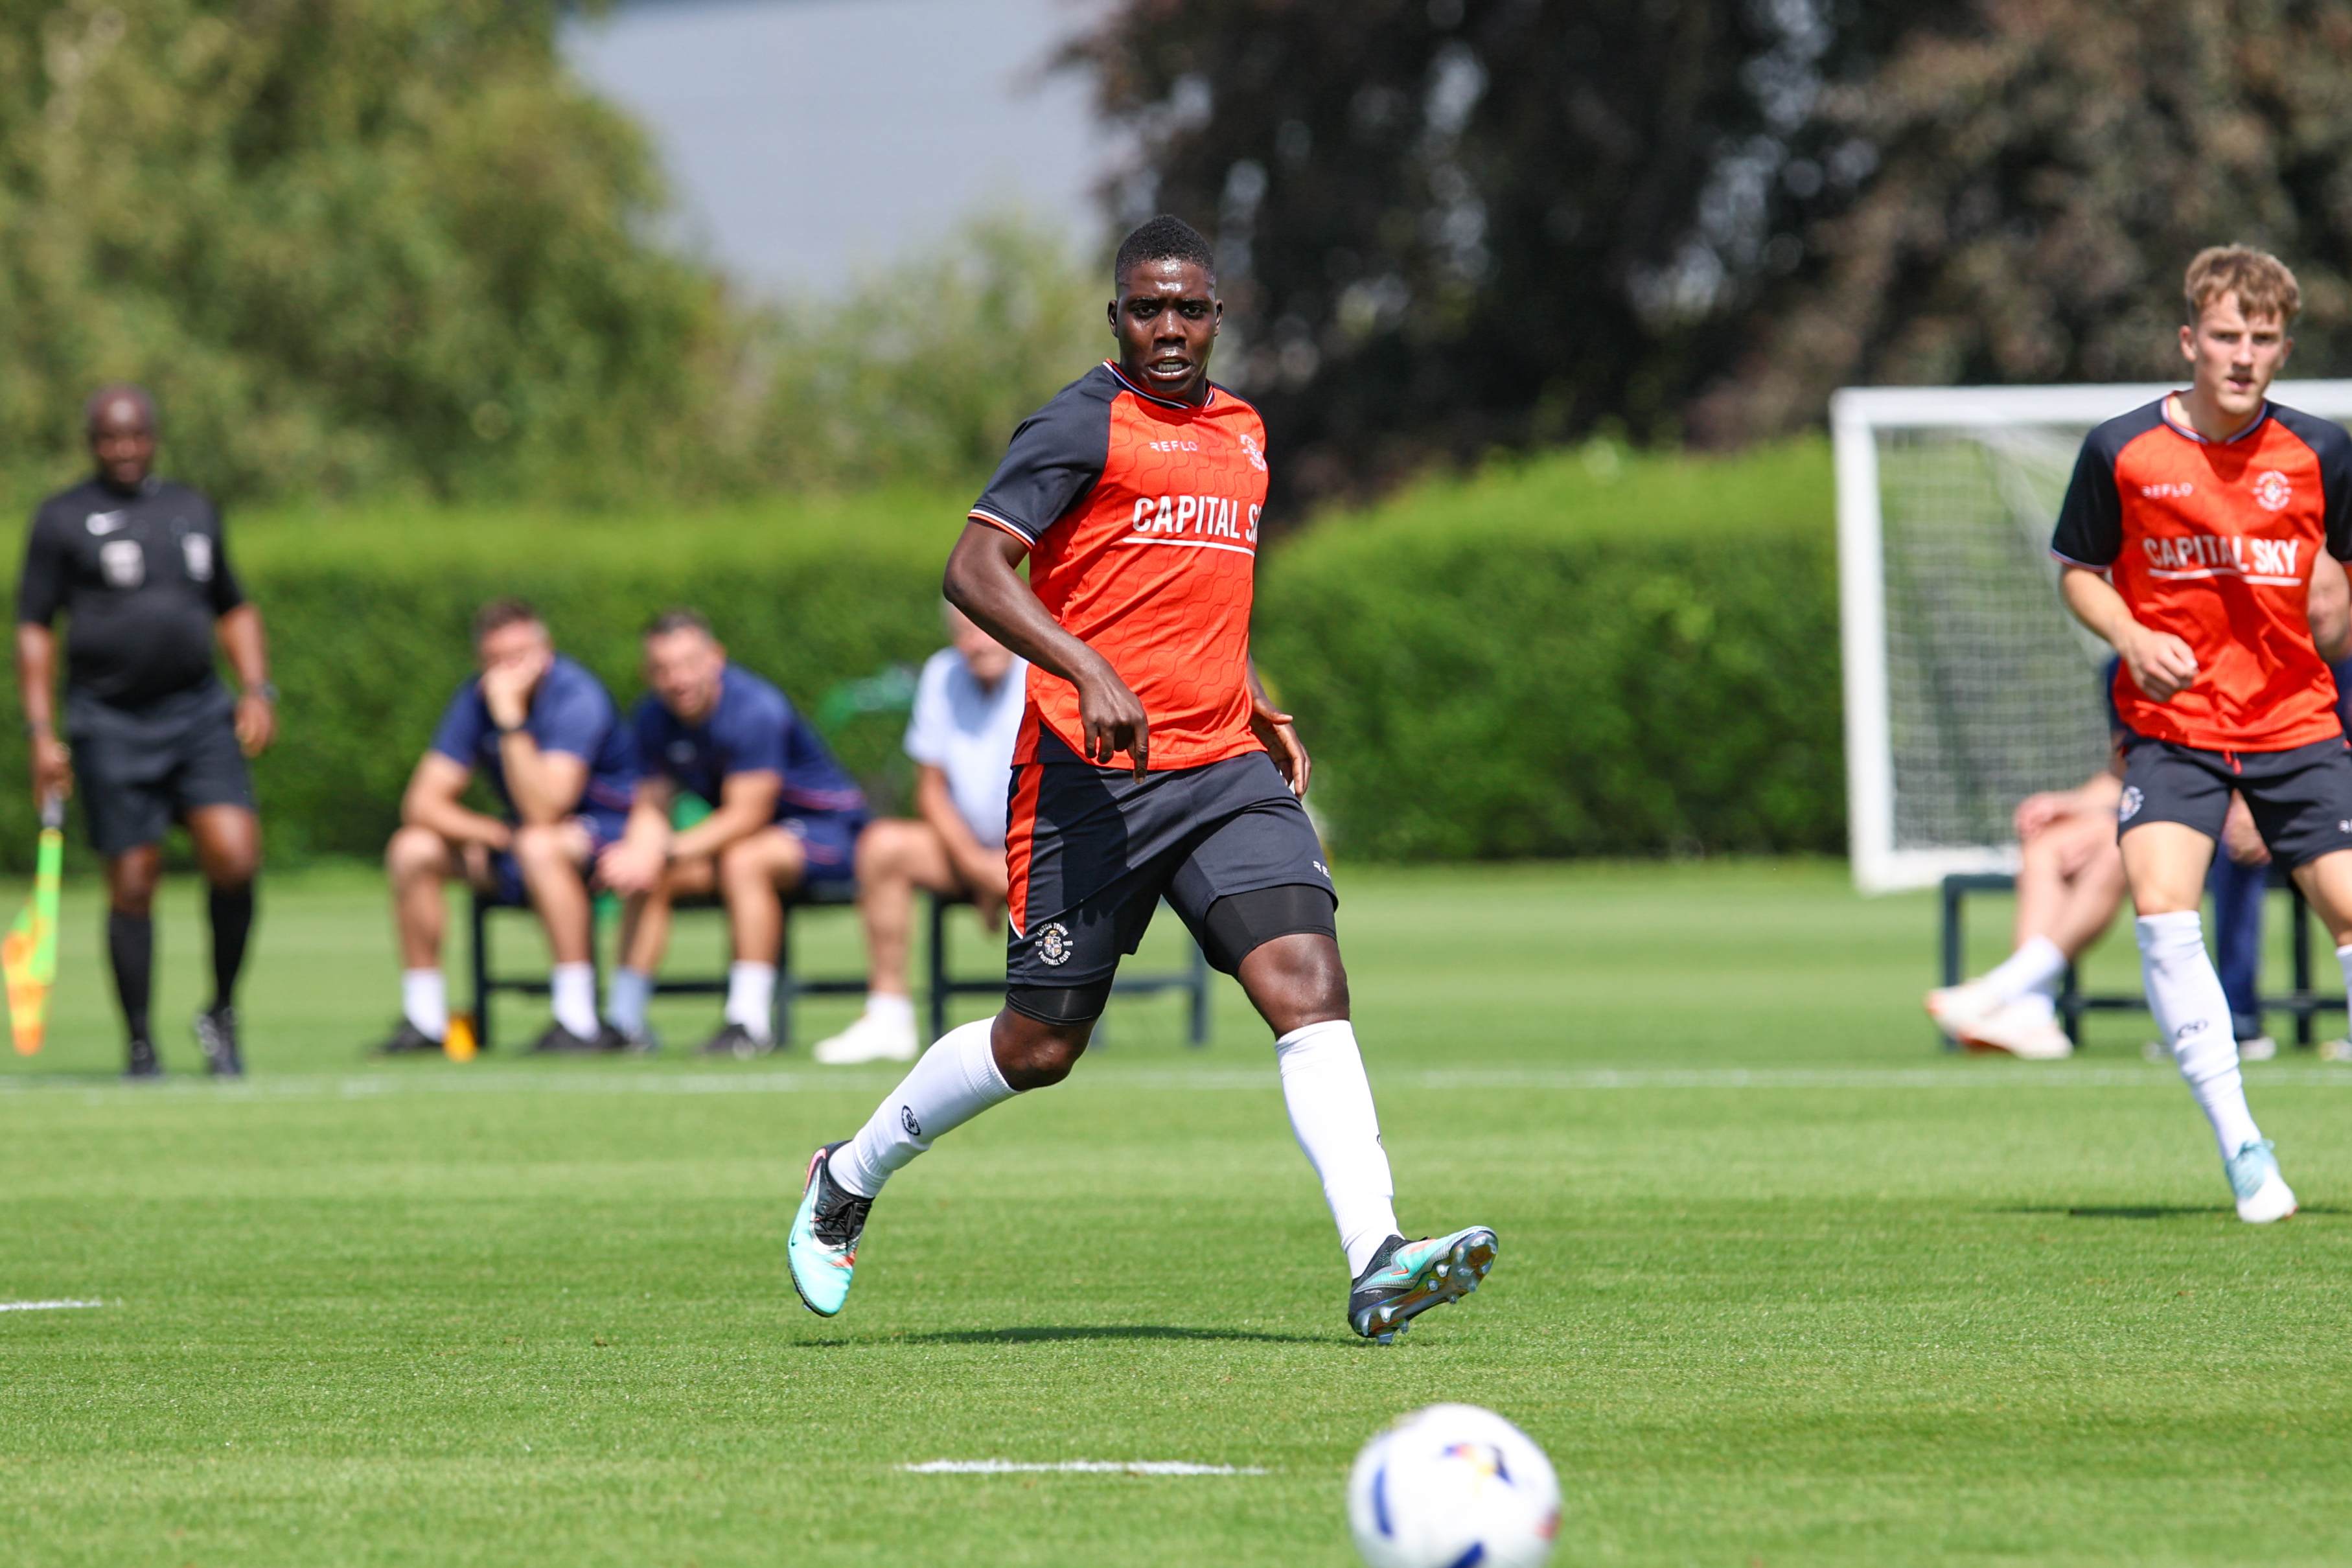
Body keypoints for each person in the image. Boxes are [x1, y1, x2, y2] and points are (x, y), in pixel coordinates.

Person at [783, 215, 1497, 1343]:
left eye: (1192, 309)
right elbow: (973, 569)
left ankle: (1378, 1257)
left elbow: (1194, 589)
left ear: (1220, 316)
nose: (1170, 328)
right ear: (1116, 315)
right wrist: (1083, 666)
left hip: (1220, 767)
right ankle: (846, 1179)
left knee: (1307, 984)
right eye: (1148, 308)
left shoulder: (1246, 433)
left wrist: (1249, 690)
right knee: (1041, 1044)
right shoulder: (1080, 422)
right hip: (1087, 778)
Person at [2049, 244, 2352, 1224]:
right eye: (2224, 336)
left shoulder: (2322, 452)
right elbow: (2077, 571)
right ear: (2189, 340)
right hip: (2172, 729)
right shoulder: (2121, 449)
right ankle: (2243, 1149)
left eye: (2261, 340)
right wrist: (2132, 636)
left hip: (2295, 724)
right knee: (2161, 904)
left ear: (2281, 350)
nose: (2242, 355)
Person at [15, 385, 275, 1079]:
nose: (124, 449)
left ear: (153, 436)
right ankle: (139, 1042)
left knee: (236, 856)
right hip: (110, 722)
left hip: (198, 715)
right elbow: (35, 631)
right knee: (132, 882)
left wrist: (257, 687)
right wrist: (41, 731)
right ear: (92, 441)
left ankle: (220, 1010)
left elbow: (236, 606)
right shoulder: (62, 518)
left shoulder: (192, 508)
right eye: (109, 438)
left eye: (135, 437)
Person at [595, 610, 871, 1058]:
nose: (677, 679)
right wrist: (641, 853)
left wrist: (662, 849)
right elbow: (651, 805)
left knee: (744, 858)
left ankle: (749, 1023)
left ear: (715, 659)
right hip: (749, 841)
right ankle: (625, 1024)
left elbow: (747, 814)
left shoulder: (754, 708)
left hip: (832, 833)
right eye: (663, 669)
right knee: (655, 872)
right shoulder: (652, 717)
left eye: (687, 664)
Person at [377, 600, 636, 1055]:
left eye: (519, 656)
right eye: (496, 660)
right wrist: (490, 835)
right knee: (411, 848)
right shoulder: (474, 699)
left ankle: (577, 1020)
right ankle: (426, 1019)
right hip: (521, 838)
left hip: (604, 834)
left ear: (546, 650)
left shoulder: (577, 696)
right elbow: (421, 803)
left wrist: (511, 719)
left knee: (540, 845)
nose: (507, 671)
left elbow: (546, 808)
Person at [806, 604, 1026, 1065]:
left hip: (1038, 844)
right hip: (964, 849)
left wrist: (1009, 863)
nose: (980, 641)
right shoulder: (941, 673)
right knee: (882, 846)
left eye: (987, 628)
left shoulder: (1043, 668)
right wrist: (975, 865)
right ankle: (888, 1015)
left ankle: (1059, 1015)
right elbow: (930, 789)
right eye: (966, 631)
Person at [1926, 765, 2125, 1060]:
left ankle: (2000, 988)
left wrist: (2112, 821)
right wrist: (2072, 804)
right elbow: (2124, 774)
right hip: (2133, 811)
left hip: (2194, 825)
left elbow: (2177, 779)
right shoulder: (2127, 720)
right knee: (2045, 845)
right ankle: (2034, 1016)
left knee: (2119, 846)